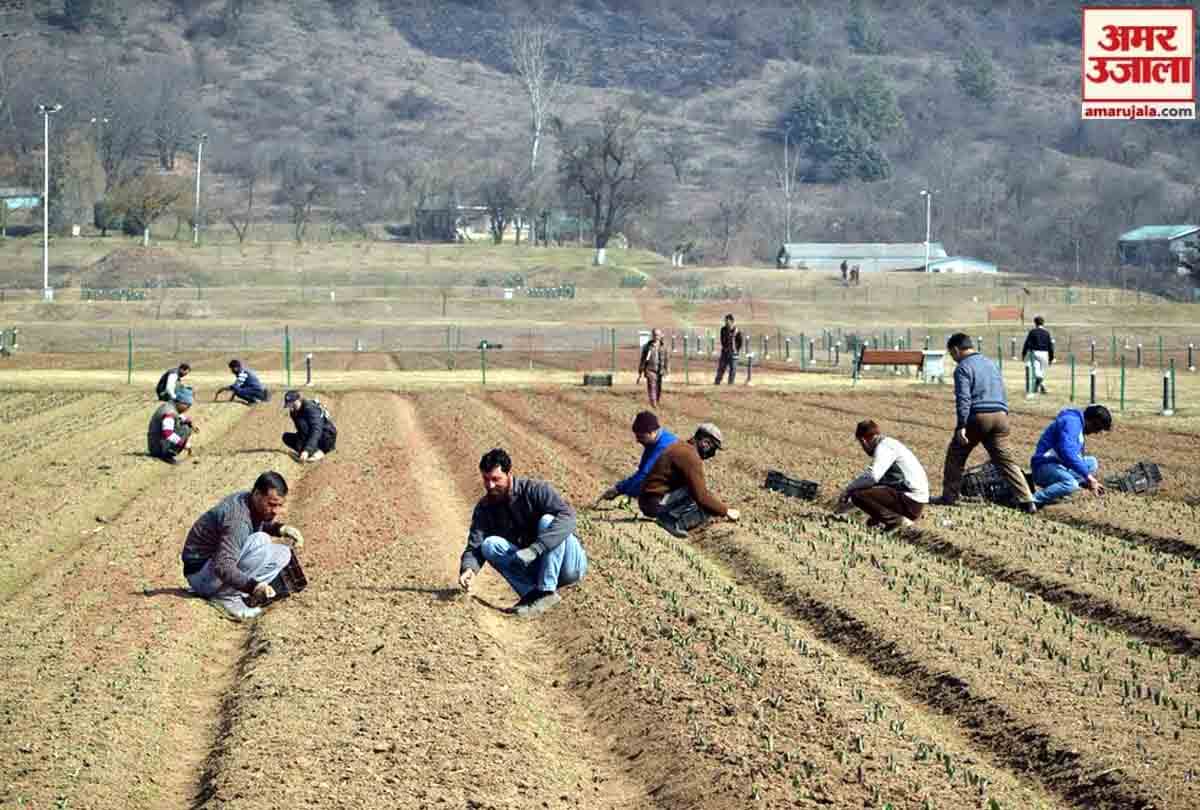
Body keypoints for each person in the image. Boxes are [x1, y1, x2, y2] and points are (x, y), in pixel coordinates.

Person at [458, 448, 587, 618]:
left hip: (568, 564)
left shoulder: (535, 490)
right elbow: (475, 544)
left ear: (509, 474)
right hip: (538, 567)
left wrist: (536, 549)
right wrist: (468, 569)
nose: (490, 485)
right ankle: (532, 595)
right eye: (486, 479)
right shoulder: (485, 508)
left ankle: (546, 592)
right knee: (489, 545)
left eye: (496, 479)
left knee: (549, 521)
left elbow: (568, 517)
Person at [181, 471, 306, 621]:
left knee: (283, 553)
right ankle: (226, 597)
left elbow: (256, 522)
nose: (276, 511)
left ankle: (236, 591)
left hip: (209, 569)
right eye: (272, 505)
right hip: (201, 576)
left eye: (279, 505)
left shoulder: (247, 500)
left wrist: (280, 529)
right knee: (260, 540)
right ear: (257, 494)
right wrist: (254, 586)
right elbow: (223, 566)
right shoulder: (238, 520)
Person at [935, 333, 1037, 512]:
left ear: (956, 350)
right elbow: (1001, 390)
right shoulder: (991, 363)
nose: (954, 359)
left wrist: (961, 426)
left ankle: (949, 497)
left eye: (952, 355)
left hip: (979, 416)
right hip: (1000, 415)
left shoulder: (963, 368)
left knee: (956, 455)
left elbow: (964, 399)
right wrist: (1003, 412)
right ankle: (1027, 500)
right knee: (1006, 461)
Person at [637, 423, 739, 536]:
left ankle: (672, 522)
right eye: (713, 448)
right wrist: (726, 511)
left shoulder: (681, 447)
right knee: (700, 499)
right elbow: (701, 496)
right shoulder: (690, 456)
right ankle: (670, 522)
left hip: (649, 500)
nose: (713, 454)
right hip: (654, 504)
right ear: (705, 443)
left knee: (703, 499)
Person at [836, 420, 929, 531]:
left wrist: (848, 490)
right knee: (871, 515)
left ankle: (897, 522)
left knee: (858, 495)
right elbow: (881, 482)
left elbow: (872, 476)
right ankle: (888, 520)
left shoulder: (885, 447)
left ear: (864, 440)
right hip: (914, 500)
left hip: (911, 501)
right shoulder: (891, 444)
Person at [1030, 405, 1113, 507]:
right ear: (1092, 421)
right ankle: (1032, 499)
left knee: (1092, 463)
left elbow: (1075, 457)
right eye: (1098, 428)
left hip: (1058, 463)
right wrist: (1089, 477)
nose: (1096, 432)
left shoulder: (1078, 425)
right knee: (1070, 484)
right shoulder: (1072, 423)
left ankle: (1059, 491)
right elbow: (1067, 452)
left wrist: (1086, 482)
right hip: (1044, 465)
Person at [599, 411, 678, 504]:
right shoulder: (653, 443)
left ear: (652, 432)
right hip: (670, 485)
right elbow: (641, 472)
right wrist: (618, 488)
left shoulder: (663, 446)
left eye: (640, 436)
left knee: (649, 504)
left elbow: (645, 475)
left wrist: (627, 493)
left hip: (678, 489)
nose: (637, 440)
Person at [282, 390, 337, 462]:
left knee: (305, 428)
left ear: (298, 400)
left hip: (325, 436)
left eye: (292, 404)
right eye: (288, 405)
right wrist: (301, 448)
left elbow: (316, 430)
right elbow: (301, 431)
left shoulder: (310, 409)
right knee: (286, 437)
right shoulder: (294, 412)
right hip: (311, 435)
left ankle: (320, 452)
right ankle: (311, 453)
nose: (290, 407)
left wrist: (307, 450)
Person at [148, 385, 197, 465]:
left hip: (155, 442)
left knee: (186, 425)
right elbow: (168, 433)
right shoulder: (169, 413)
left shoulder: (170, 406)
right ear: (182, 403)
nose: (187, 409)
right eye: (188, 406)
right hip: (156, 447)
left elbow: (178, 416)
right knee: (185, 429)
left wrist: (189, 422)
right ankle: (167, 455)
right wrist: (184, 444)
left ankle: (166, 452)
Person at [1021, 316, 1054, 394]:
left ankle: (1039, 382)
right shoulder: (1047, 333)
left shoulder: (1032, 332)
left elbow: (1027, 343)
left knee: (1036, 371)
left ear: (1035, 323)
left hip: (1034, 353)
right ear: (1043, 323)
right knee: (1042, 371)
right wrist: (1051, 357)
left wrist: (1024, 353)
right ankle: (1041, 387)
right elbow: (1050, 346)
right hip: (1045, 353)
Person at [638, 328, 670, 408]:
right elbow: (643, 359)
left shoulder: (664, 347)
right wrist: (641, 369)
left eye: (658, 335)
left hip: (660, 371)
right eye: (655, 335)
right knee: (651, 387)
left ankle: (657, 401)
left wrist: (667, 369)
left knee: (658, 388)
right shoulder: (647, 347)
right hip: (650, 370)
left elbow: (667, 359)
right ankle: (653, 404)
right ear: (652, 336)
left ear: (660, 336)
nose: (656, 336)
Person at [714, 314, 743, 385]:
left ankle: (730, 383)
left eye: (727, 321)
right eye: (725, 321)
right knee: (721, 368)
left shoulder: (738, 331)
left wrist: (736, 350)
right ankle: (717, 382)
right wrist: (731, 336)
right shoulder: (723, 330)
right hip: (725, 352)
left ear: (732, 321)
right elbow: (723, 341)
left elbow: (740, 342)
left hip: (734, 353)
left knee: (733, 369)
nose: (726, 322)